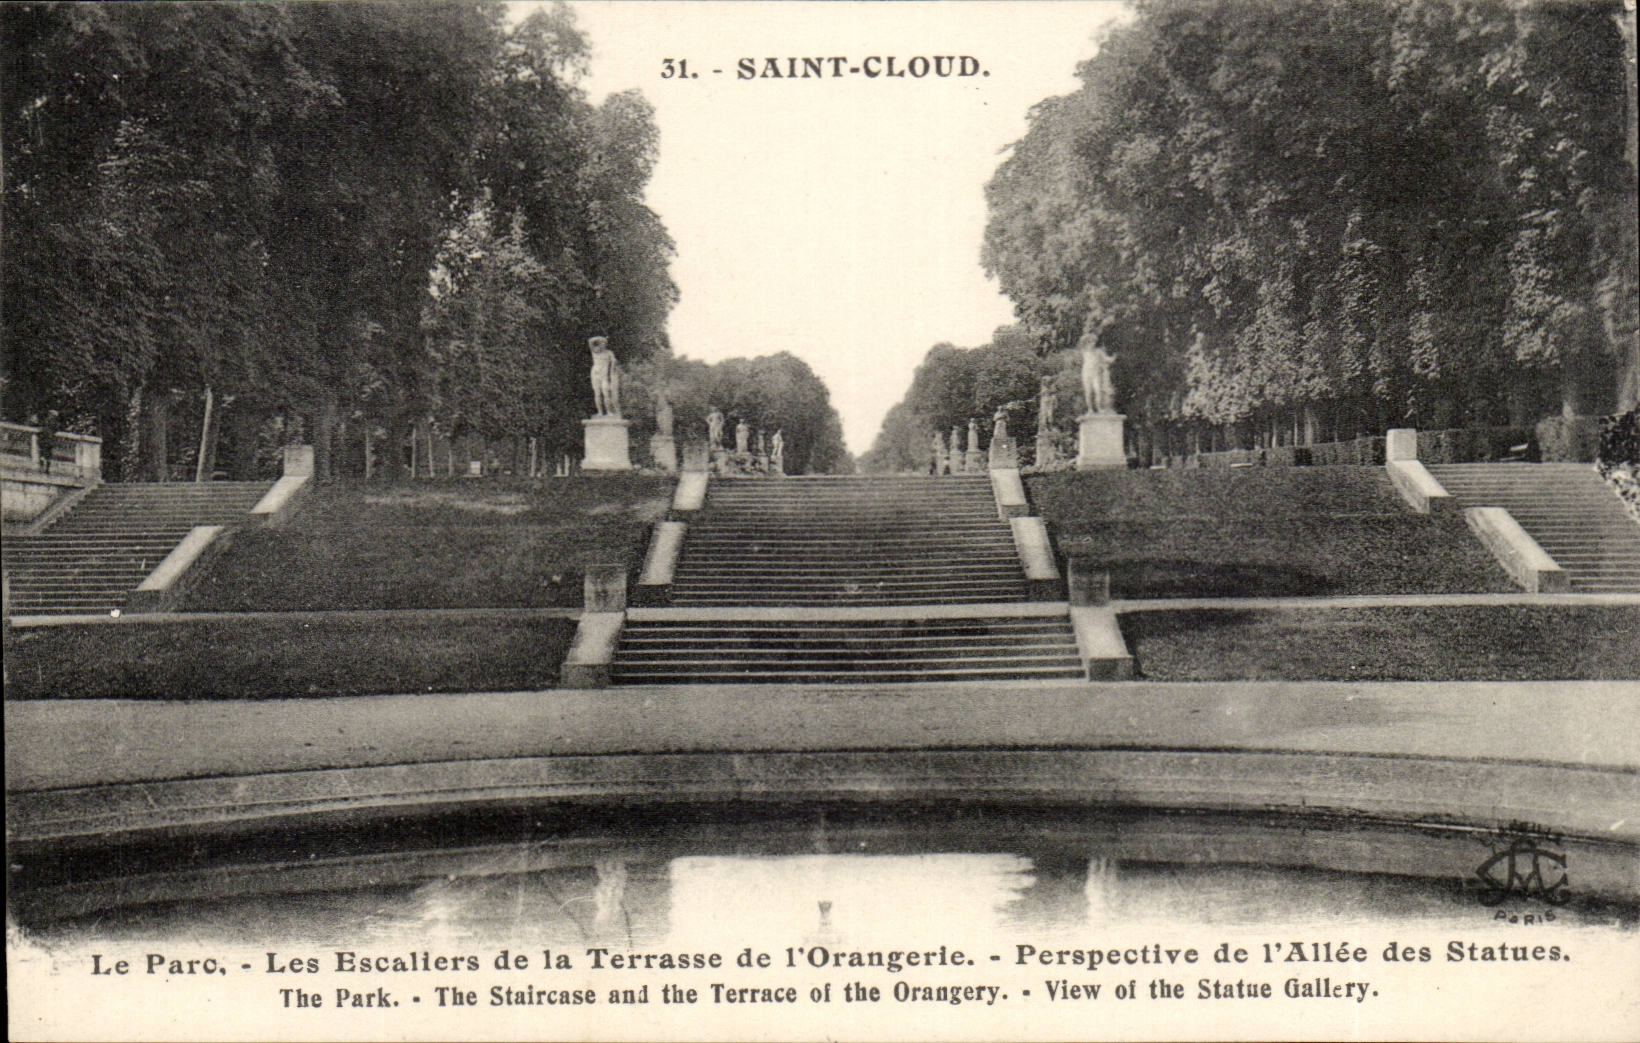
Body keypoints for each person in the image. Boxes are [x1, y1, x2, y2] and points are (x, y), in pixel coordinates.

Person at [1079, 329, 1117, 413]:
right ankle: (1090, 409)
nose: (1093, 343)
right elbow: (1081, 341)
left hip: (1095, 373)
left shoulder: (1098, 352)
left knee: (1098, 390)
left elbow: (1107, 359)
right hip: (1086, 373)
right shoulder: (1084, 351)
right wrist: (1088, 335)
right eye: (1090, 342)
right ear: (1087, 343)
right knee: (1088, 392)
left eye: (1093, 342)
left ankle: (1099, 408)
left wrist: (1114, 358)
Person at [588, 336, 620, 416]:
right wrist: (600, 338)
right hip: (595, 373)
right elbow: (590, 342)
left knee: (606, 392)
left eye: (604, 343)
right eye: (601, 343)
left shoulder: (609, 352)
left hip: (604, 374)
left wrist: (613, 365)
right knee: (597, 393)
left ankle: (609, 411)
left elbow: (614, 361)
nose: (602, 345)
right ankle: (600, 412)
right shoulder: (596, 351)